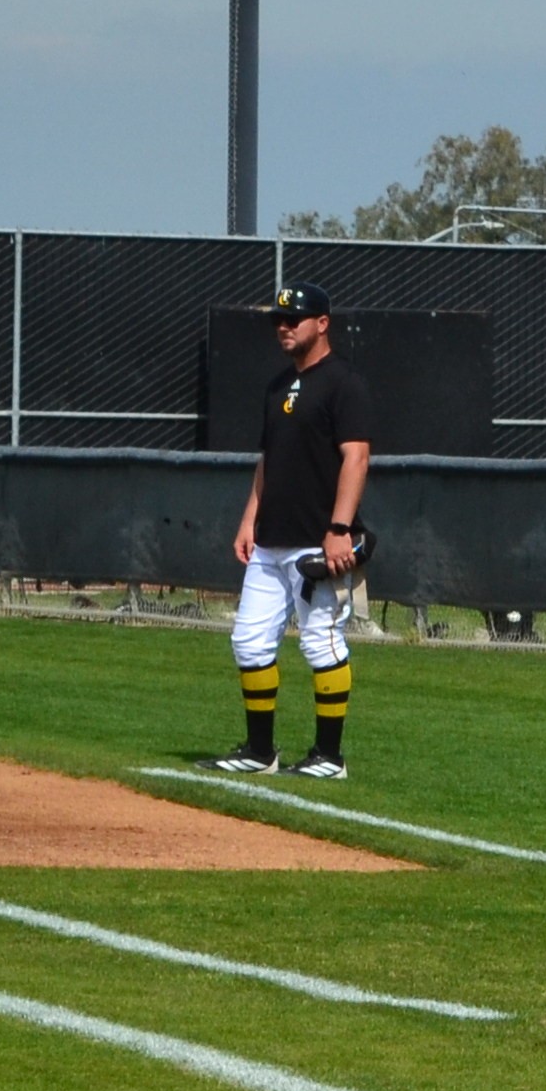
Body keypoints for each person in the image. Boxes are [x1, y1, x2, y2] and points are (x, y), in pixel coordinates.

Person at [220, 285, 371, 779]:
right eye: (279, 320)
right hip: (270, 539)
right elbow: (269, 461)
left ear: (322, 323)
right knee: (249, 642)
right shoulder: (277, 385)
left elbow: (357, 457)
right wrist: (249, 520)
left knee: (320, 642)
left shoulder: (343, 383)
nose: (284, 327)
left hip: (316, 539)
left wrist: (339, 528)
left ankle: (330, 757)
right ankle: (260, 752)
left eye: (295, 319)